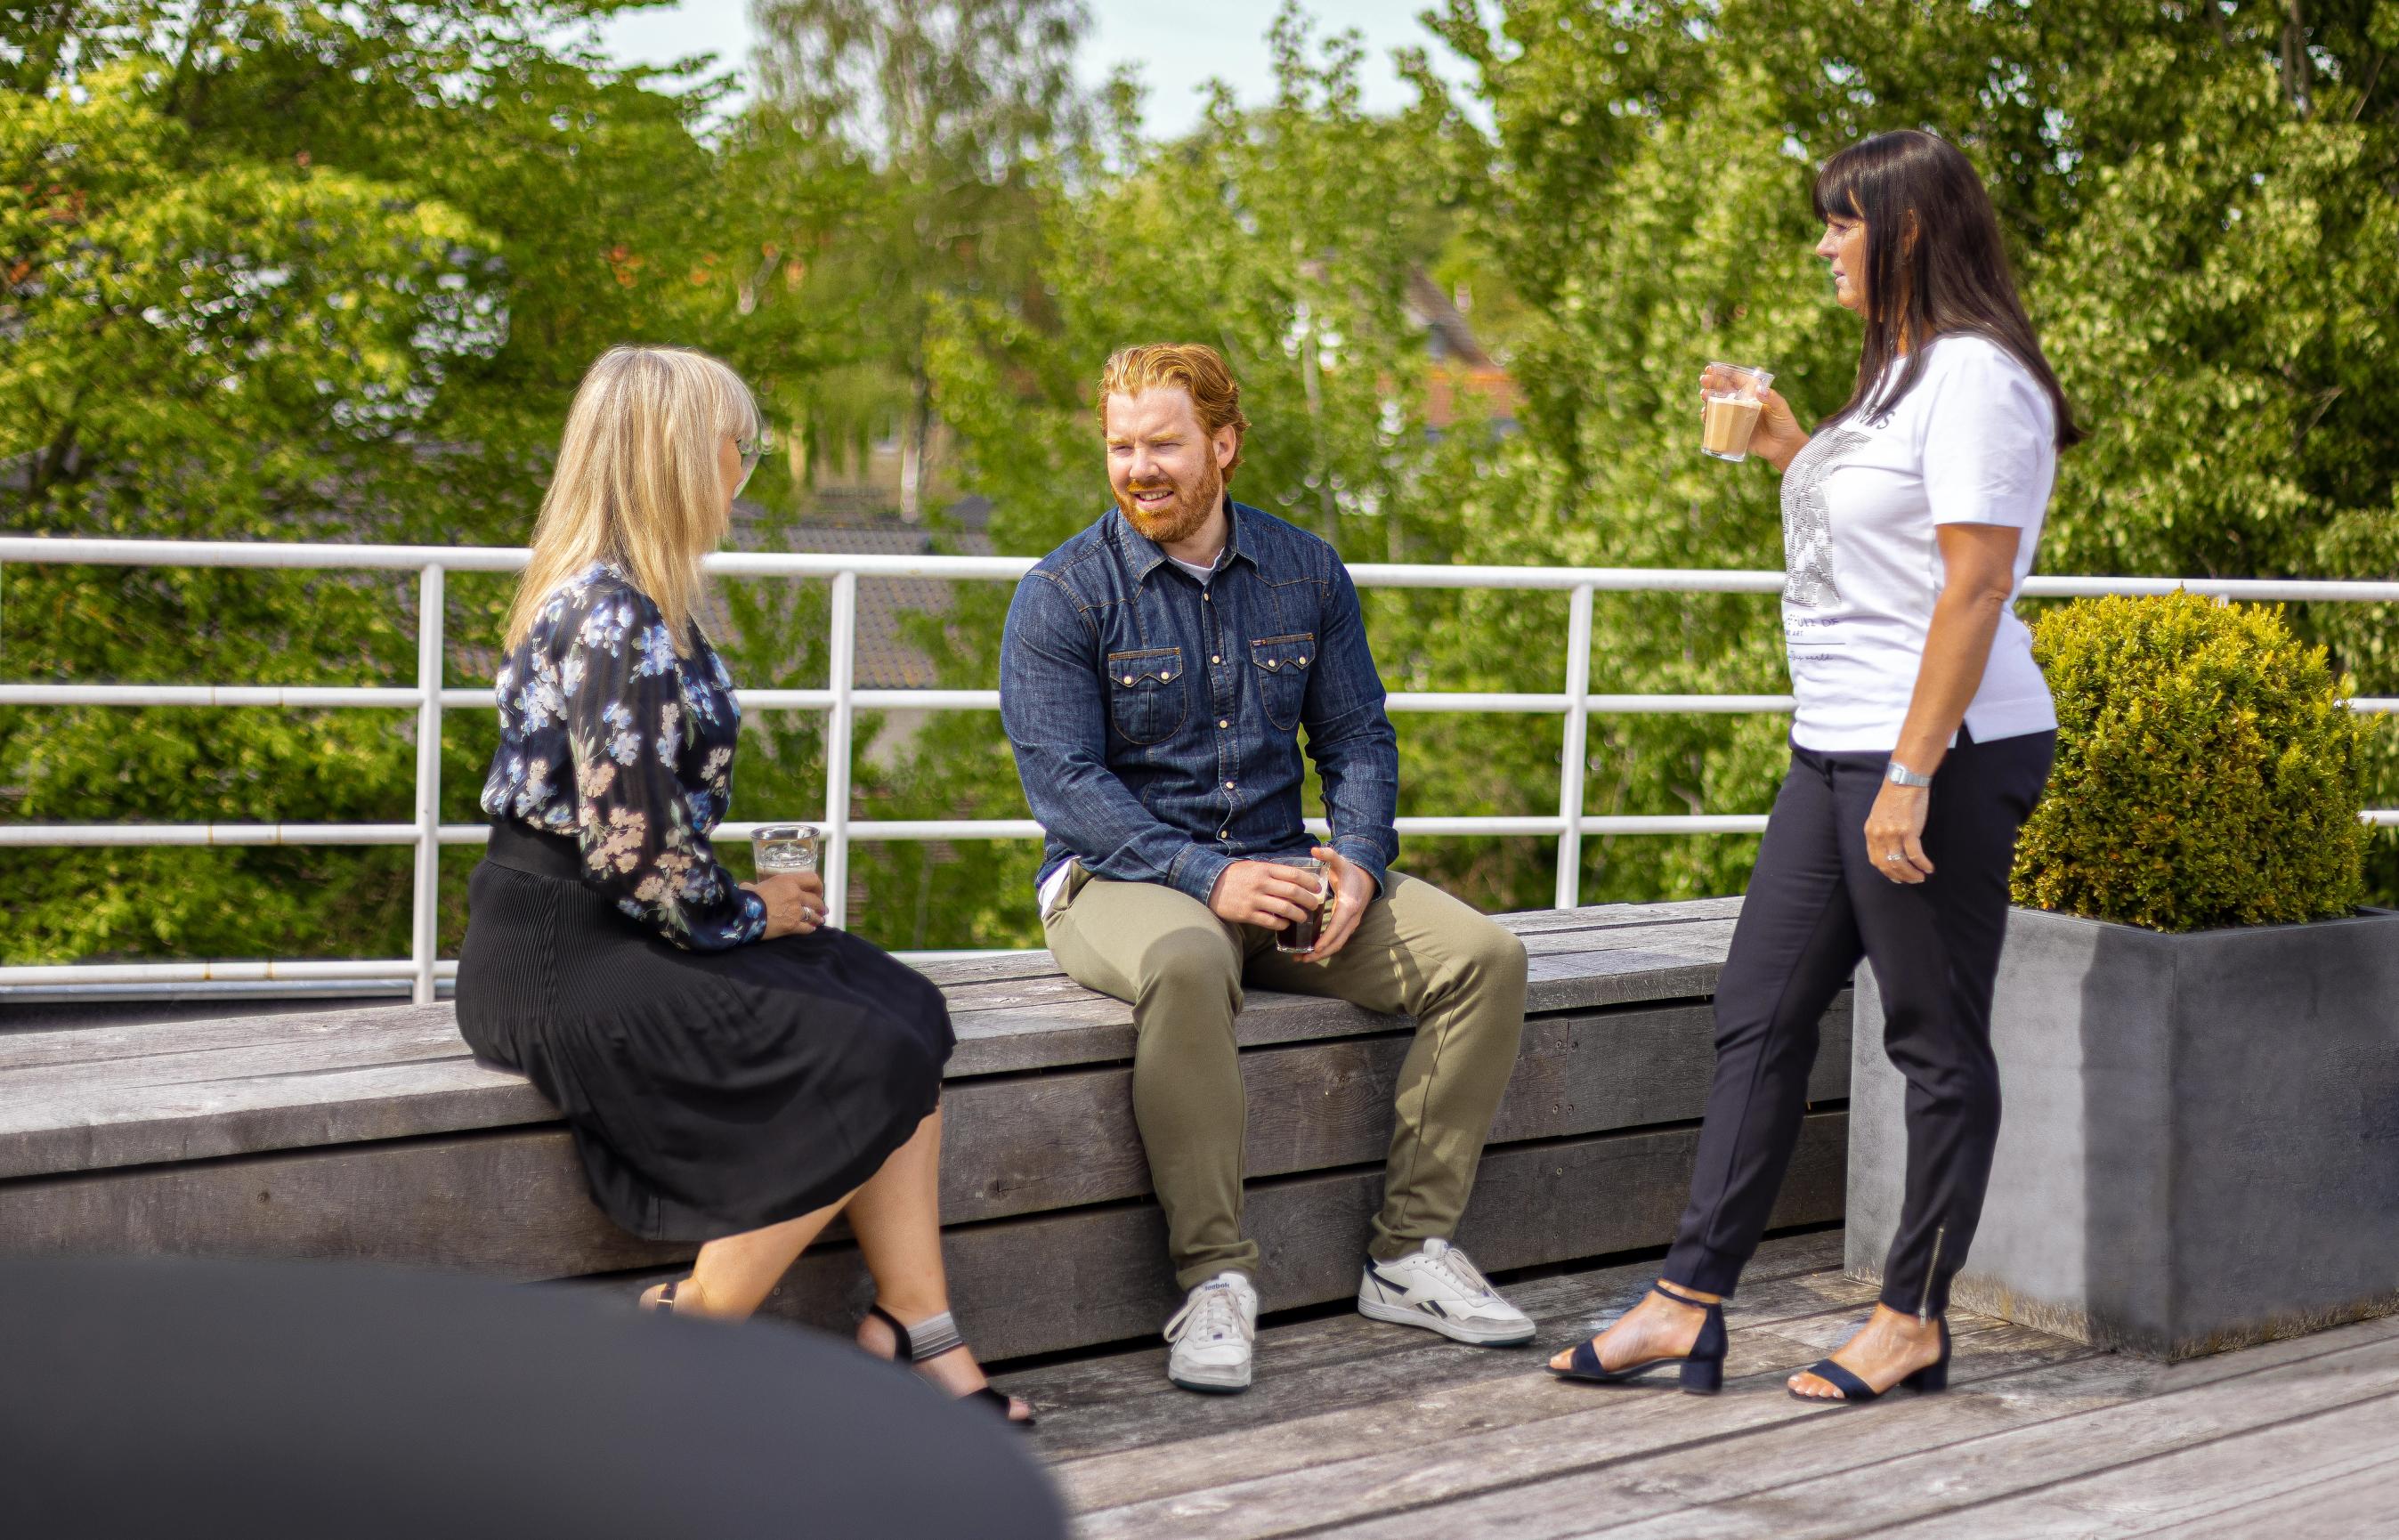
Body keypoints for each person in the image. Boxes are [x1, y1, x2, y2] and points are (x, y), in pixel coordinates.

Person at [1550, 130, 2077, 1402]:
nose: (1822, 244)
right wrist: (1792, 446)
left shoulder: (1975, 378)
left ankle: (1910, 1317)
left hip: (1935, 752)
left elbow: (1972, 584)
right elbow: (1881, 548)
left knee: (1931, 1037)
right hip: (1831, 743)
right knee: (1756, 1013)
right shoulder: (1893, 373)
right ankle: (1686, 1299)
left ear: (1901, 230)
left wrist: (1909, 772)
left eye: (1839, 222)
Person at [455, 344, 1029, 1423]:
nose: (746, 465)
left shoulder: (641, 598)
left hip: (617, 922)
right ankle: (690, 1325)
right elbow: (629, 847)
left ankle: (917, 1319)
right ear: (680, 453)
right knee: (863, 1046)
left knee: (900, 1001)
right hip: (561, 954)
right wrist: (745, 910)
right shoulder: (611, 613)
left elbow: (639, 835)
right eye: (741, 443)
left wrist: (739, 909)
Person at [999, 342, 1534, 1396]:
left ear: (1224, 444)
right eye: (1120, 446)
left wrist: (1365, 865)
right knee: (1192, 958)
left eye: (1162, 443)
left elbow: (1358, 737)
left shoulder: (1306, 569)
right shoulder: (1062, 594)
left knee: (1484, 954)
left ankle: (1408, 1252)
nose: (1138, 467)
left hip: (1283, 877)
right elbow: (1067, 786)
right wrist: (1207, 877)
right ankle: (1214, 1279)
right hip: (1116, 882)